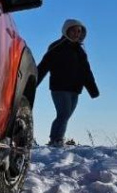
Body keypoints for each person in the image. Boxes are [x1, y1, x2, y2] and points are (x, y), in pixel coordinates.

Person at [37, 18, 99, 147]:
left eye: (79, 31)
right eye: (74, 31)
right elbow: (44, 66)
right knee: (63, 113)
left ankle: (57, 139)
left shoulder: (80, 51)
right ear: (67, 30)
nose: (77, 34)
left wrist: (93, 90)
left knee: (66, 115)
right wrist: (32, 83)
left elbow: (86, 72)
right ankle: (56, 140)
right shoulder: (57, 47)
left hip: (74, 90)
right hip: (59, 88)